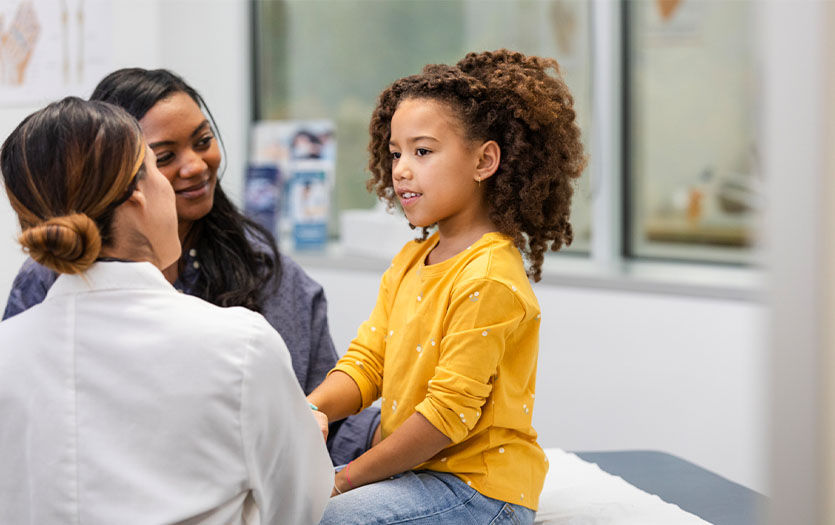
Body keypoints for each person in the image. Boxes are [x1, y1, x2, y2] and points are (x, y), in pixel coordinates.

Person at [1, 68, 381, 465]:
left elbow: (325, 425)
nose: (196, 166)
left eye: (204, 141)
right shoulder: (47, 286)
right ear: (116, 180)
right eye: (163, 158)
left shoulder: (268, 273)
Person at [308, 49, 586, 524]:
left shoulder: (490, 276)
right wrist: (309, 411)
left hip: (482, 492)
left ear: (485, 161)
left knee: (330, 517)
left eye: (423, 151)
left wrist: (345, 478)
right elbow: (368, 362)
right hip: (418, 474)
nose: (400, 169)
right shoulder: (412, 258)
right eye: (395, 153)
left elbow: (443, 419)